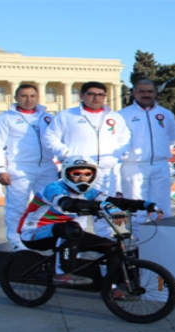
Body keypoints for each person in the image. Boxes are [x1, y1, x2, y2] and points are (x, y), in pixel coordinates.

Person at [18, 156, 163, 286]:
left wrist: (145, 204)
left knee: (112, 247)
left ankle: (110, 288)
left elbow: (114, 201)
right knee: (72, 228)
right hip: (32, 233)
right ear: (66, 174)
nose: (82, 178)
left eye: (87, 174)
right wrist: (100, 206)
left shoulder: (89, 192)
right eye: (76, 174)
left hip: (64, 234)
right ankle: (62, 273)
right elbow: (68, 204)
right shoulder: (54, 188)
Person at [44, 81, 131, 238]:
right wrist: (66, 154)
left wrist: (117, 155)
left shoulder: (115, 117)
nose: (96, 98)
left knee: (105, 210)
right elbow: (50, 137)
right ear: (82, 95)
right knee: (77, 212)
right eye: (91, 94)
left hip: (105, 171)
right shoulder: (67, 115)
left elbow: (125, 138)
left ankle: (105, 247)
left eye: (100, 95)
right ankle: (74, 249)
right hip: (78, 173)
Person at [0, 84, 59, 251]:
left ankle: (45, 238)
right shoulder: (6, 118)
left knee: (49, 204)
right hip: (20, 168)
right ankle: (16, 241)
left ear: (38, 97)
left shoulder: (47, 117)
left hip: (47, 167)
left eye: (32, 96)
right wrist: (0, 168)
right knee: (17, 206)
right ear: (16, 98)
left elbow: (56, 140)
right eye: (24, 96)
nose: (29, 100)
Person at [120, 79, 175, 238]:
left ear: (155, 93)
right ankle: (136, 244)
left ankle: (160, 243)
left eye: (150, 91)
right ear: (134, 93)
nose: (146, 95)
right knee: (136, 209)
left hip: (160, 165)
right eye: (142, 91)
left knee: (162, 208)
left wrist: (159, 151)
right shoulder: (123, 115)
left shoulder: (166, 114)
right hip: (134, 166)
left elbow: (172, 137)